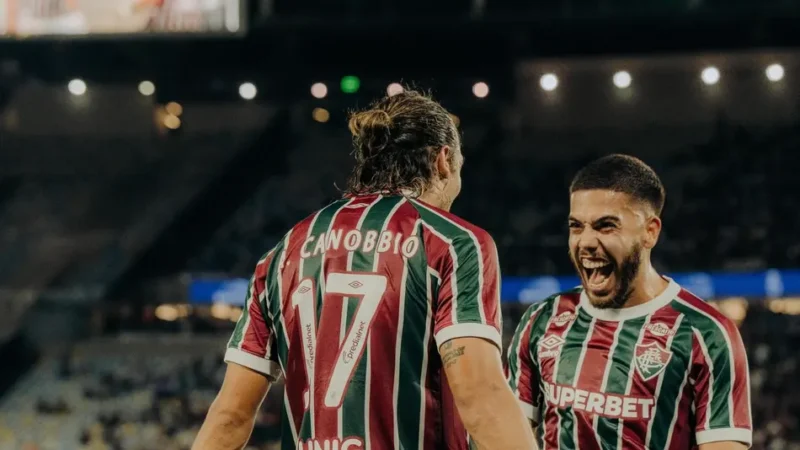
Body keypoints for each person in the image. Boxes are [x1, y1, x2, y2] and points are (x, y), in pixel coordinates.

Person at [193, 90, 536, 450]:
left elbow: (230, 415)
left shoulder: (282, 253)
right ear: (443, 161)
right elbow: (481, 398)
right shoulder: (454, 242)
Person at [506, 154, 752, 449]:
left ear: (650, 232)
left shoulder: (707, 334)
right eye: (576, 226)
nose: (585, 242)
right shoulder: (543, 319)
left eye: (606, 226)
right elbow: (503, 433)